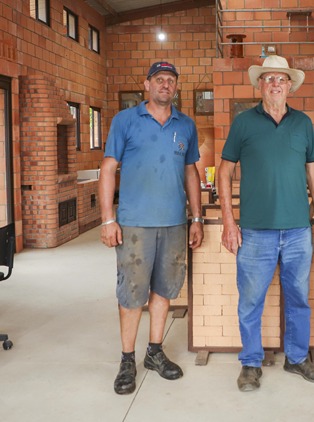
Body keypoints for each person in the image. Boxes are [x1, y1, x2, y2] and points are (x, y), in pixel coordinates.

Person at [218, 55, 314, 393]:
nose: (275, 84)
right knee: (250, 300)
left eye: (281, 79)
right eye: (269, 79)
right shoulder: (243, 123)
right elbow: (224, 172)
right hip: (254, 231)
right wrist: (228, 221)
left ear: (290, 86)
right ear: (260, 85)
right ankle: (250, 364)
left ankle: (297, 358)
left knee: (299, 298)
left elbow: (313, 171)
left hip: (298, 230)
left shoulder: (303, 124)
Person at [99, 61, 205, 395]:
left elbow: (191, 174)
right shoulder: (125, 120)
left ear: (176, 87)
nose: (165, 85)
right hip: (134, 224)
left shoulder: (185, 125)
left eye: (171, 80)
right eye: (159, 79)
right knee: (132, 294)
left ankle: (154, 352)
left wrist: (197, 217)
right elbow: (108, 168)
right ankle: (127, 359)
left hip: (174, 222)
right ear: (147, 84)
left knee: (164, 290)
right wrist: (107, 218)